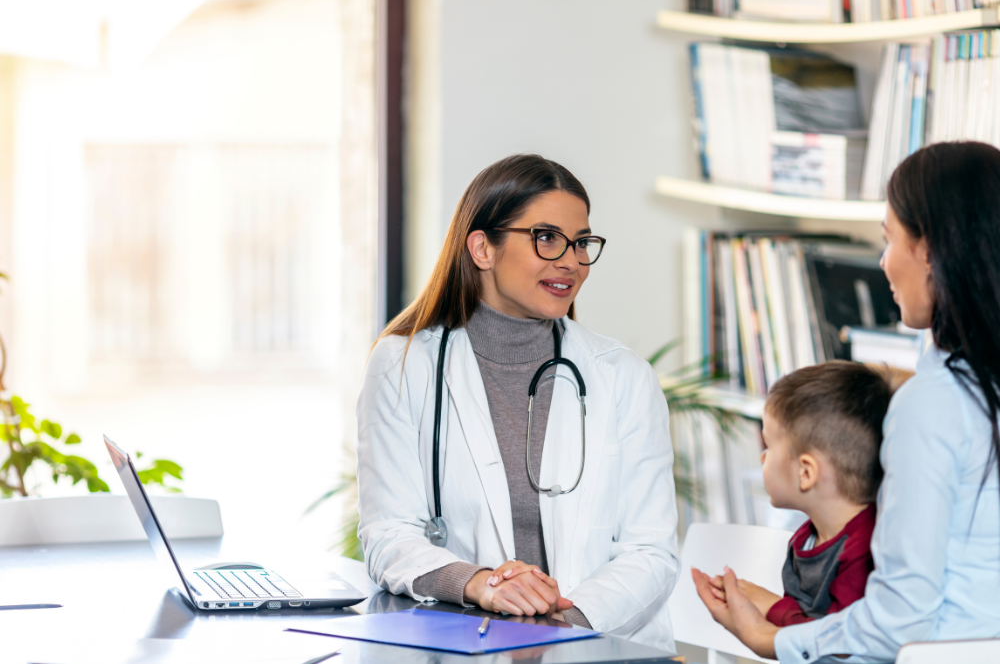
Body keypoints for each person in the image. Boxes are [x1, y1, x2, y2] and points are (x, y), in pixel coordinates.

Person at [355, 154, 680, 649]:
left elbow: (651, 551)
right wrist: (478, 582)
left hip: (598, 648)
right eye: (547, 238)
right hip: (467, 645)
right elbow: (389, 535)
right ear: (482, 248)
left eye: (581, 243)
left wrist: (559, 625)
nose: (570, 261)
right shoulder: (404, 363)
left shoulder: (623, 376)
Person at [693, 141, 1000, 662]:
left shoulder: (932, 405)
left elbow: (901, 618)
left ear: (929, 251)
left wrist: (774, 639)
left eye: (889, 240)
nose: (883, 263)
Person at [700, 362, 894, 629]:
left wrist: (770, 606)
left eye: (768, 446)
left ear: (806, 472)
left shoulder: (864, 551)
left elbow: (835, 641)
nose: (762, 457)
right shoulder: (805, 539)